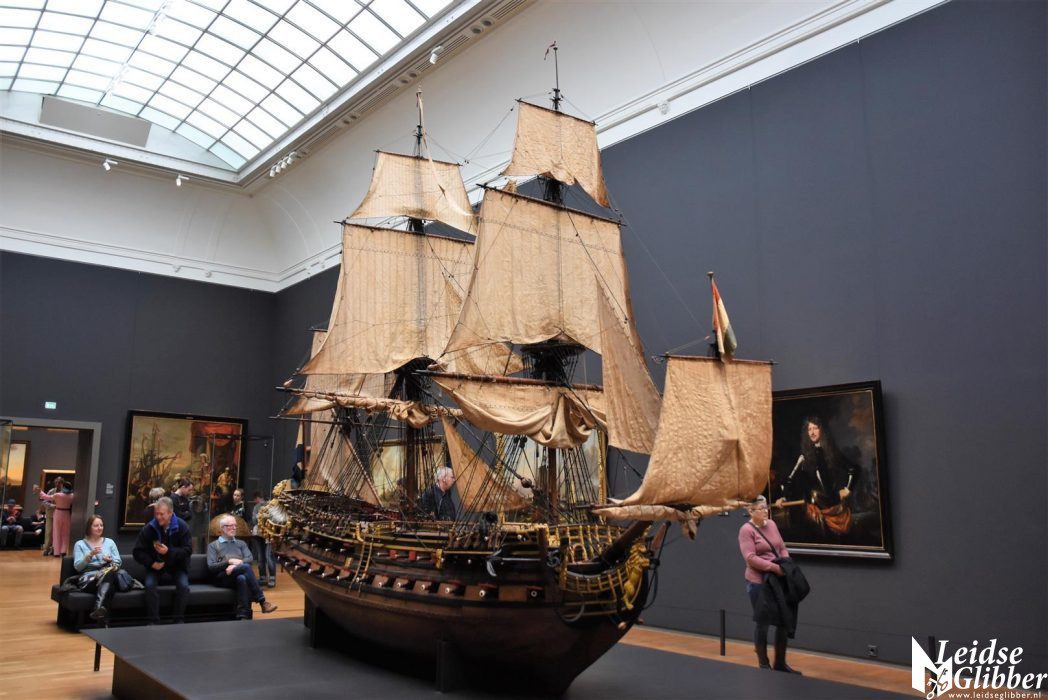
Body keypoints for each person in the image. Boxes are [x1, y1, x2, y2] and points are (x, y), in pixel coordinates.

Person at [738, 495, 799, 674]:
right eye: (761, 508)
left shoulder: (771, 524)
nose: (765, 511)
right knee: (763, 622)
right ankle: (763, 664)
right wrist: (774, 567)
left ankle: (780, 663)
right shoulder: (746, 530)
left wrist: (785, 562)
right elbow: (750, 558)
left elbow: (781, 547)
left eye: (766, 508)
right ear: (751, 511)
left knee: (783, 620)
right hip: (758, 581)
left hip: (777, 579)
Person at [776, 416, 858, 537]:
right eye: (809, 429)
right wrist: (783, 497)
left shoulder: (832, 452)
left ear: (821, 430)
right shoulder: (804, 457)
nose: (812, 432)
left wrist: (848, 489)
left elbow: (854, 469)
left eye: (815, 428)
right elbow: (791, 479)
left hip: (836, 509)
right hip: (815, 512)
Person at [132, 496, 192, 624]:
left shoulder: (182, 526)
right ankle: (153, 621)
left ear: (170, 513)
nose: (158, 517)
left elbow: (187, 551)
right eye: (157, 514)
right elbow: (137, 552)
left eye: (162, 514)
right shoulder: (149, 528)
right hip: (156, 566)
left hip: (177, 566)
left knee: (184, 587)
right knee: (149, 586)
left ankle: (178, 620)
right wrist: (151, 563)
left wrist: (169, 552)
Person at [206, 515, 278, 620]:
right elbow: (211, 566)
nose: (234, 528)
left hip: (237, 574)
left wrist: (235, 565)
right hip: (222, 577)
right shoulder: (213, 545)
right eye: (230, 526)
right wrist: (228, 562)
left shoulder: (241, 543)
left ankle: (243, 614)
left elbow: (249, 558)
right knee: (245, 567)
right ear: (222, 528)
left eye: (235, 525)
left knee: (242, 578)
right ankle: (262, 601)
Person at [73, 515, 123, 621]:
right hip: (89, 579)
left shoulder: (110, 542)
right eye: (96, 525)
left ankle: (98, 609)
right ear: (89, 527)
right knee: (110, 586)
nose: (99, 528)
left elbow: (118, 563)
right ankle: (101, 616)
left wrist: (110, 561)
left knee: (109, 575)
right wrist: (89, 555)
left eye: (101, 525)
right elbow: (78, 567)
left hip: (107, 574)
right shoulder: (80, 544)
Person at [35, 479, 73, 556]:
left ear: (63, 486)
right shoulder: (72, 496)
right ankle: (63, 551)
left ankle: (56, 552)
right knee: (65, 533)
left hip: (58, 513)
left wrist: (40, 491)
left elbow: (45, 497)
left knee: (56, 533)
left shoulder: (57, 495)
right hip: (67, 513)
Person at [251, 492, 276, 587]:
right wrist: (260, 516)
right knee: (261, 556)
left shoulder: (272, 506)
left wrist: (263, 517)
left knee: (268, 556)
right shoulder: (256, 507)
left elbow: (275, 520)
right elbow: (254, 520)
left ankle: (272, 578)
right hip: (258, 533)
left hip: (269, 534)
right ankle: (263, 577)